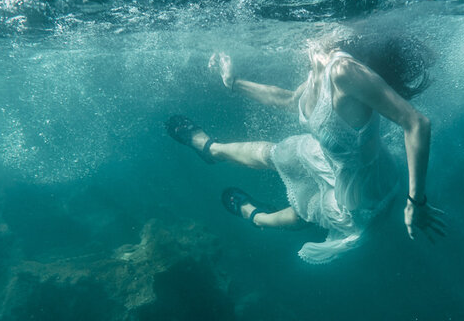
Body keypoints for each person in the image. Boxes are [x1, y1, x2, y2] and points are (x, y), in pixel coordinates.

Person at [166, 34, 446, 264]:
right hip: (328, 156)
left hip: (361, 192)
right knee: (278, 153)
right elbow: (287, 100)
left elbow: (417, 123)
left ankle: (256, 216)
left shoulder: (343, 71)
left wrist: (415, 203)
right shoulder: (319, 66)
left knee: (306, 209)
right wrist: (234, 83)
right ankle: (210, 150)